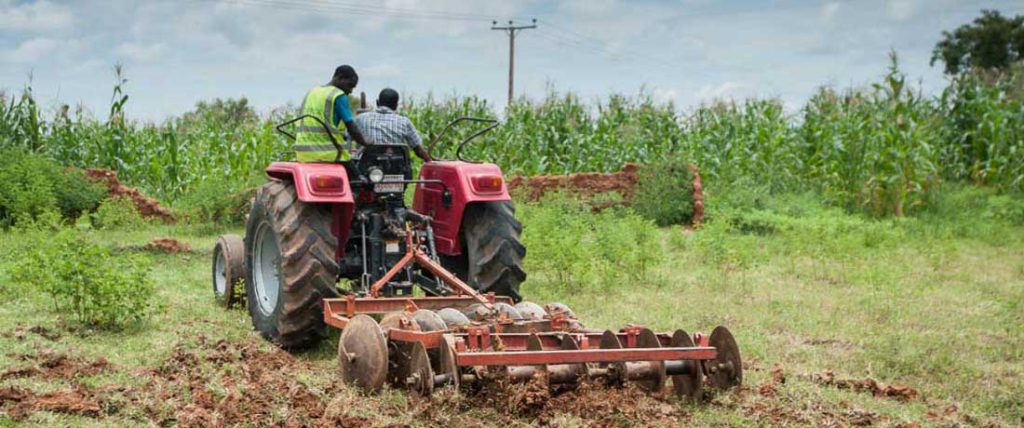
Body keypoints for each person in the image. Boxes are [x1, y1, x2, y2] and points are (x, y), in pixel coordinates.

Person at [294, 65, 369, 162]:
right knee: (358, 174)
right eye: (350, 85)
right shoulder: (338, 95)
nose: (350, 91)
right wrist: (366, 142)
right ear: (340, 78)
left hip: (302, 153)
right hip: (328, 153)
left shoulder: (312, 92)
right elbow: (351, 127)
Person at [353, 88, 432, 162]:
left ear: (377, 102)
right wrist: (430, 161)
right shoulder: (404, 122)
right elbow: (418, 150)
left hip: (368, 167)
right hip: (397, 167)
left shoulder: (361, 118)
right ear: (396, 106)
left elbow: (348, 137)